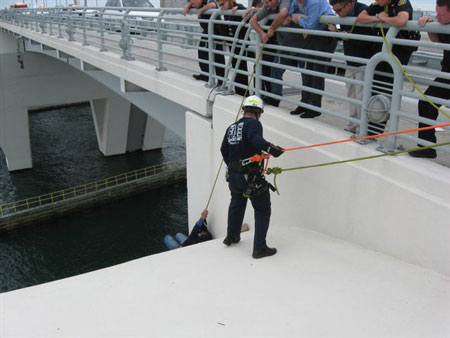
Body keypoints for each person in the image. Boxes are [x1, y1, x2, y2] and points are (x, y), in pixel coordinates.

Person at [220, 95, 284, 259]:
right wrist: (271, 148)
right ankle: (259, 249)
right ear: (259, 113)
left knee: (236, 203)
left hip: (234, 176)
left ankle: (232, 236)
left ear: (244, 110)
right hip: (250, 176)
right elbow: (255, 139)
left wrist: (234, 166)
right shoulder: (254, 124)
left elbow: (223, 149)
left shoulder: (231, 127)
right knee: (263, 209)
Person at [357, 0, 416, 135]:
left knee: (389, 92)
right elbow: (360, 17)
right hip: (381, 53)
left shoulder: (401, 2)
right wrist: (378, 17)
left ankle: (377, 130)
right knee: (374, 88)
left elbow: (402, 20)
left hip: (398, 54)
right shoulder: (380, 3)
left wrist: (385, 18)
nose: (377, 1)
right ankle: (370, 129)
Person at [409, 0, 450, 158]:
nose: (438, 17)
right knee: (426, 103)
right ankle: (427, 147)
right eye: (436, 13)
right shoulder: (443, 24)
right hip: (446, 75)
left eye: (441, 14)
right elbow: (436, 40)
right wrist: (430, 23)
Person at [329, 0, 375, 133]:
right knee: (352, 95)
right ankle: (353, 124)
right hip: (350, 61)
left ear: (348, 5)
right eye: (335, 11)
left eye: (339, 10)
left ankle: (363, 127)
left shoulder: (365, 11)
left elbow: (369, 39)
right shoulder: (345, 15)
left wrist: (347, 37)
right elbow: (343, 36)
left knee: (362, 97)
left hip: (364, 62)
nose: (338, 14)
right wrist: (337, 31)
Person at [288, 0, 338, 118]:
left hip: (324, 36)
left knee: (317, 73)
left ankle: (315, 107)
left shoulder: (314, 2)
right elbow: (290, 12)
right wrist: (294, 15)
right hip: (313, 36)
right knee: (307, 70)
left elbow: (311, 25)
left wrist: (299, 19)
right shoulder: (297, 1)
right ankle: (305, 103)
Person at [184, 0, 225, 85]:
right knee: (202, 53)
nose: (193, 5)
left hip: (216, 31)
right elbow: (191, 5)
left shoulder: (207, 1)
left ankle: (221, 81)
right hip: (207, 31)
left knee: (218, 57)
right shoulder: (198, 4)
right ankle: (206, 75)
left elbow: (213, 4)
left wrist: (201, 11)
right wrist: (188, 5)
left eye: (193, 2)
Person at [219, 0, 249, 96]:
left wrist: (238, 8)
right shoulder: (227, 12)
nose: (222, 6)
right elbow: (225, 25)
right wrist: (225, 37)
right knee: (235, 65)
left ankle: (243, 92)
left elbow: (248, 14)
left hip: (240, 42)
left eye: (223, 4)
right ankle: (239, 90)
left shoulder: (238, 7)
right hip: (233, 43)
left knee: (241, 67)